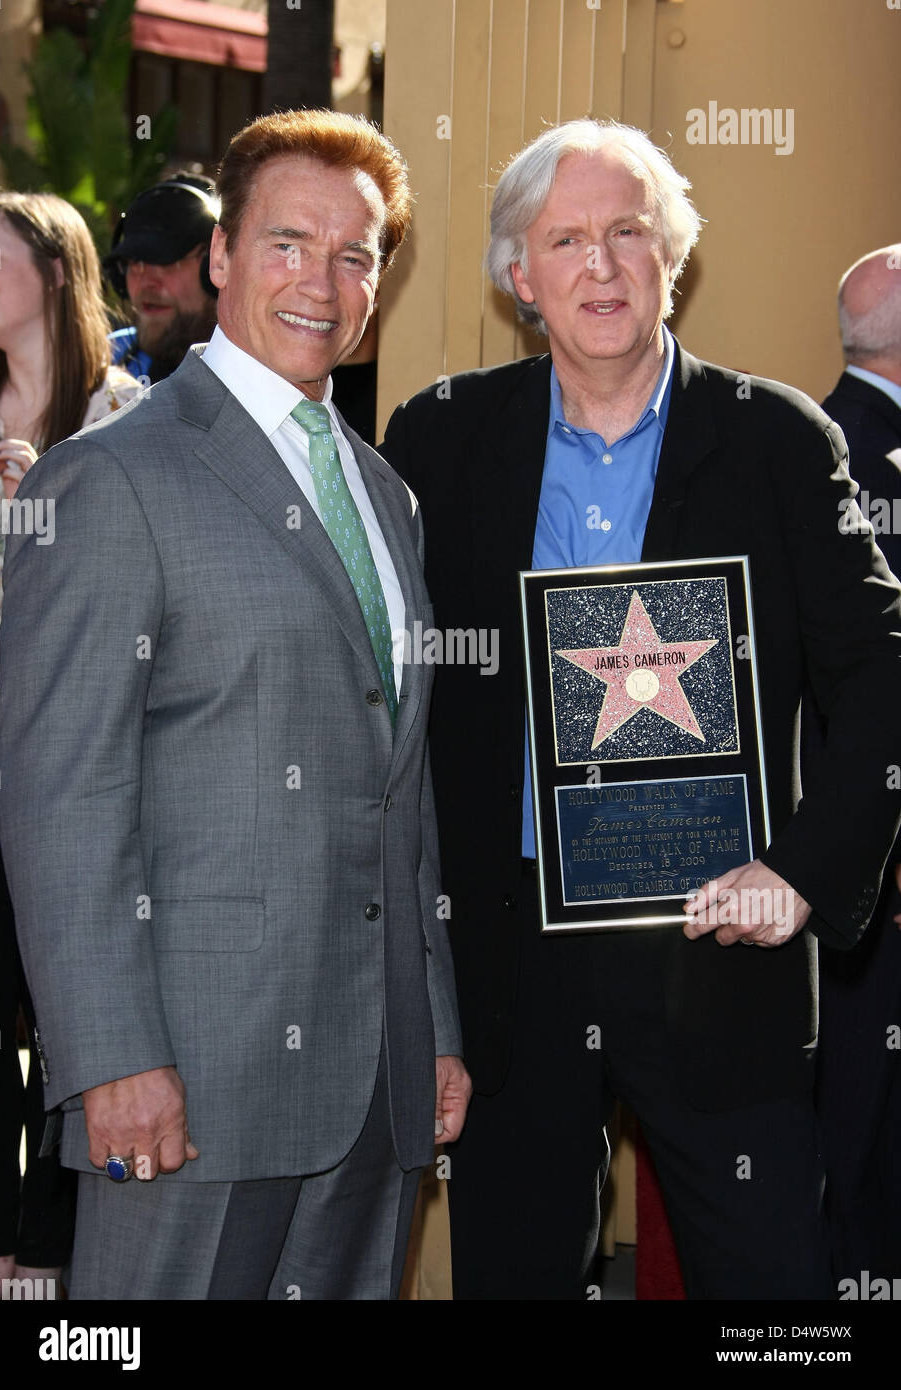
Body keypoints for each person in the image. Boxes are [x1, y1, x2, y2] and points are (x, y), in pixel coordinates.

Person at [381, 119, 901, 1300]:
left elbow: (884, 669)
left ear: (675, 254)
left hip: (721, 943)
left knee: (775, 1297)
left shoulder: (777, 439)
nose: (602, 267)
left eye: (629, 233)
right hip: (510, 957)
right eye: (566, 239)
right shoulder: (442, 436)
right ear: (523, 277)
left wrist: (806, 871)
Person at [0, 109, 469, 1301]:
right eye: (288, 244)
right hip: (189, 1084)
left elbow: (400, 790)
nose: (324, 282)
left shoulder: (386, 494)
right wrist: (112, 1058)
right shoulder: (109, 479)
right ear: (220, 257)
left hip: (374, 1087)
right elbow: (63, 797)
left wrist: (436, 1026)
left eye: (356, 255)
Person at [0, 190, 140, 1297]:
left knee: (78, 1006)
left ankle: (53, 1250)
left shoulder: (129, 422)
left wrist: (47, 508)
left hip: (89, 770)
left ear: (54, 269)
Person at [814, 244, 901, 1288]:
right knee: (860, 1140)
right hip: (866, 879)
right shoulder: (848, 456)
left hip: (842, 865)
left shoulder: (815, 436)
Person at [104, 172, 219, 384]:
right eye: (135, 262)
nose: (147, 282)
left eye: (166, 262)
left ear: (215, 263)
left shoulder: (265, 374)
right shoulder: (106, 359)